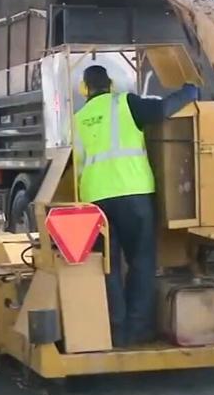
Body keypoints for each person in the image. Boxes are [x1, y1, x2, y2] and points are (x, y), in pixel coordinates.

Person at [74, 65, 199, 347]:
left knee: (109, 266)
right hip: (133, 194)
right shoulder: (125, 103)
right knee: (141, 262)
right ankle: (138, 329)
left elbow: (77, 162)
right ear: (110, 84)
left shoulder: (78, 118)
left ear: (85, 89)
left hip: (95, 199)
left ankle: (114, 331)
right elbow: (163, 109)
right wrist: (189, 92)